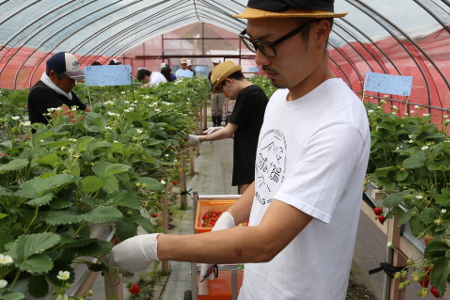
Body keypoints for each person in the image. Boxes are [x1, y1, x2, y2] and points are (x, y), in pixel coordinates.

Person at [110, 1, 371, 299]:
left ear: (319, 33)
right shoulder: (278, 101)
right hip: (257, 284)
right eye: (252, 42)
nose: (259, 59)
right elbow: (271, 178)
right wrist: (230, 218)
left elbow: (265, 242)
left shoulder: (338, 124)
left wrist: (155, 246)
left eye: (268, 44)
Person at [189, 61, 268, 194]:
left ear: (229, 81)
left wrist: (200, 139)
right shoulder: (253, 92)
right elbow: (242, 129)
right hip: (251, 154)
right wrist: (220, 128)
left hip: (251, 158)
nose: (225, 95)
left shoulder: (247, 94)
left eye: (222, 90)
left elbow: (228, 132)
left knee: (247, 200)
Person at [28, 52, 92, 129]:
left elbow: (88, 112)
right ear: (53, 75)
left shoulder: (65, 91)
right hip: (48, 140)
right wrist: (95, 119)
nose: (73, 84)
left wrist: (94, 117)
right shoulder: (40, 92)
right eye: (70, 80)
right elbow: (70, 120)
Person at [207, 59, 225, 126]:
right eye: (214, 64)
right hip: (213, 92)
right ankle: (214, 123)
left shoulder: (223, 73)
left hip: (221, 92)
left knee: (220, 108)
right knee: (214, 108)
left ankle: (219, 123)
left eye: (216, 64)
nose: (215, 65)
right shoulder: (211, 73)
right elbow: (210, 82)